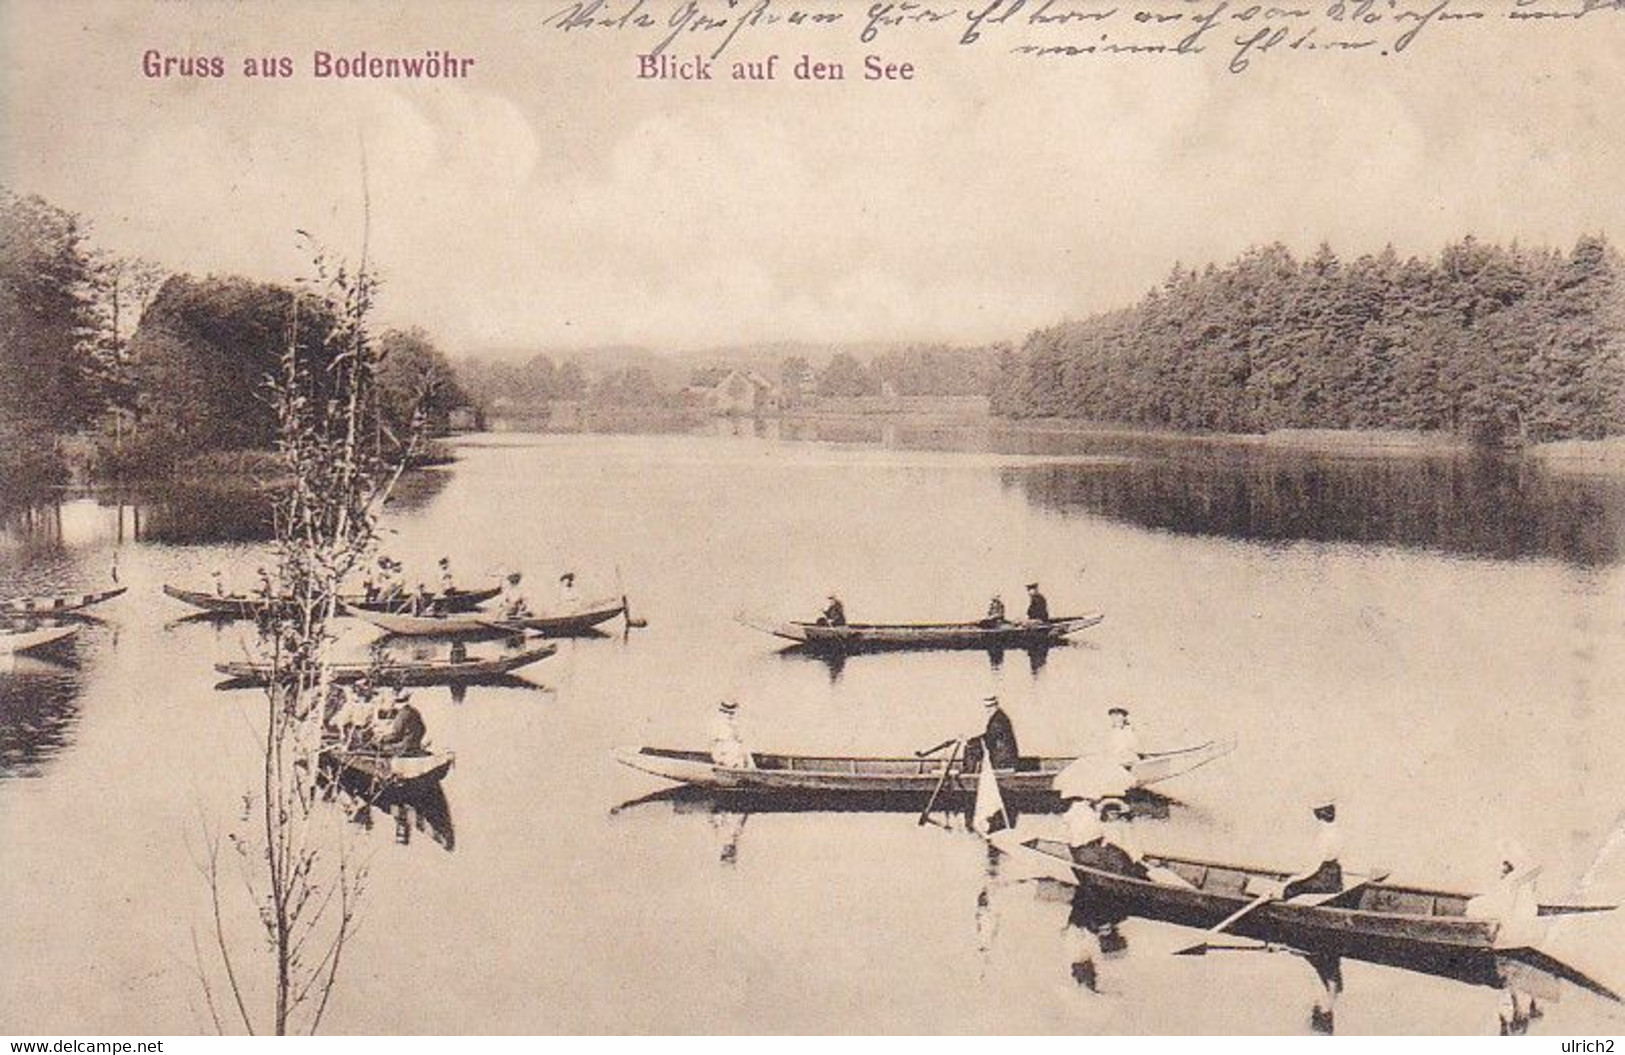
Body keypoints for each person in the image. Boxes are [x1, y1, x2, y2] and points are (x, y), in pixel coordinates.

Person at [1282, 798, 1344, 900]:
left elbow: (1314, 867)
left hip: (1324, 880)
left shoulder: (1324, 835)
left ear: (1317, 815)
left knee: (1289, 889)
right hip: (1335, 879)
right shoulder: (1336, 830)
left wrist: (1295, 879)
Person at [963, 695, 1019, 772]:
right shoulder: (998, 717)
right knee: (972, 747)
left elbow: (989, 738)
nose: (988, 709)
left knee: (971, 748)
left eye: (991, 706)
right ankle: (969, 774)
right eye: (987, 707)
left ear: (996, 705)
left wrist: (970, 741)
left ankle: (968, 777)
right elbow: (989, 736)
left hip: (1003, 761)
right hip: (1003, 758)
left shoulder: (998, 720)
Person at [375, 689, 427, 755]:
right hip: (416, 745)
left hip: (405, 747)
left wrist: (382, 739)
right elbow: (423, 729)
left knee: (379, 747)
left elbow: (397, 735)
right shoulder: (414, 711)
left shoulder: (402, 714)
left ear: (395, 703)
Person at [709, 699, 753, 769]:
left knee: (742, 758)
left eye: (732, 713)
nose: (729, 715)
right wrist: (720, 760)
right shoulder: (717, 726)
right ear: (721, 712)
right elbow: (715, 746)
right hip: (725, 757)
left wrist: (749, 762)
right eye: (726, 712)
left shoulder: (736, 726)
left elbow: (741, 744)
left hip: (736, 755)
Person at [1106, 706, 1141, 771]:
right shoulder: (1110, 732)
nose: (1115, 718)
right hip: (1115, 761)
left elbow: (1134, 747)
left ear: (1124, 717)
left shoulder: (1128, 730)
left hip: (1129, 760)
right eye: (1112, 716)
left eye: (1118, 715)